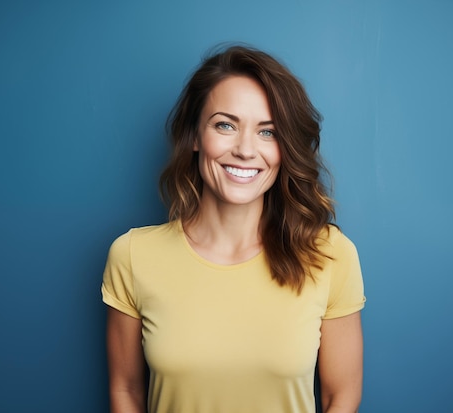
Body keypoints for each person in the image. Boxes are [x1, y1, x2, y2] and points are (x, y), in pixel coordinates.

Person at [101, 45, 366, 413]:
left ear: (286, 148)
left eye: (268, 132)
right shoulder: (132, 256)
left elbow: (342, 396)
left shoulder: (329, 255)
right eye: (225, 125)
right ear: (195, 136)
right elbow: (125, 391)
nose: (245, 149)